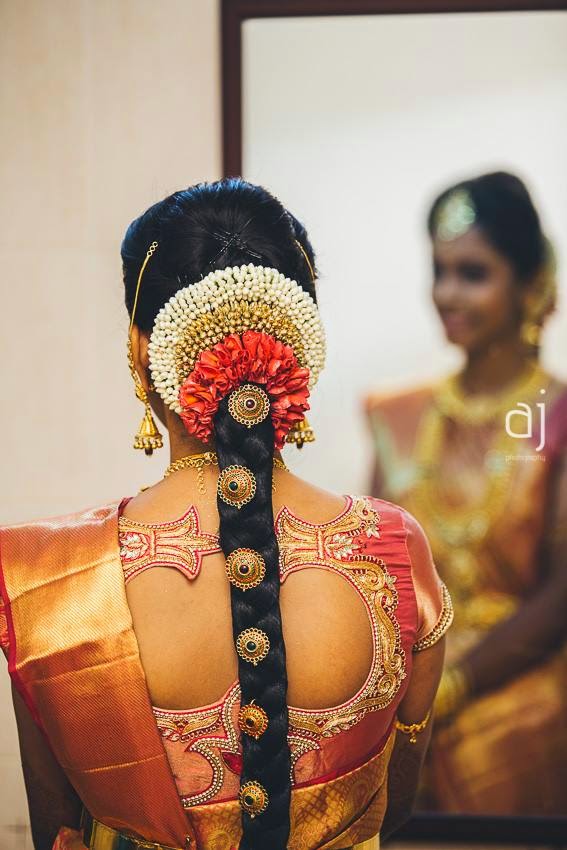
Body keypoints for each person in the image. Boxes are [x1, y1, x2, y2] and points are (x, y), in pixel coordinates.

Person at [1, 178, 449, 850]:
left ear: (140, 351)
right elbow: (399, 805)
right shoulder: (393, 546)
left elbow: (57, 830)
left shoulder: (43, 579)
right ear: (300, 350)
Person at [365, 171, 567, 816]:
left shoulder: (549, 415)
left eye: (474, 273)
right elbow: (375, 567)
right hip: (408, 687)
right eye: (440, 269)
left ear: (528, 284)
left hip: (521, 688)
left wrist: (454, 683)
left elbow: (564, 591)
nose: (449, 293)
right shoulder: (401, 414)